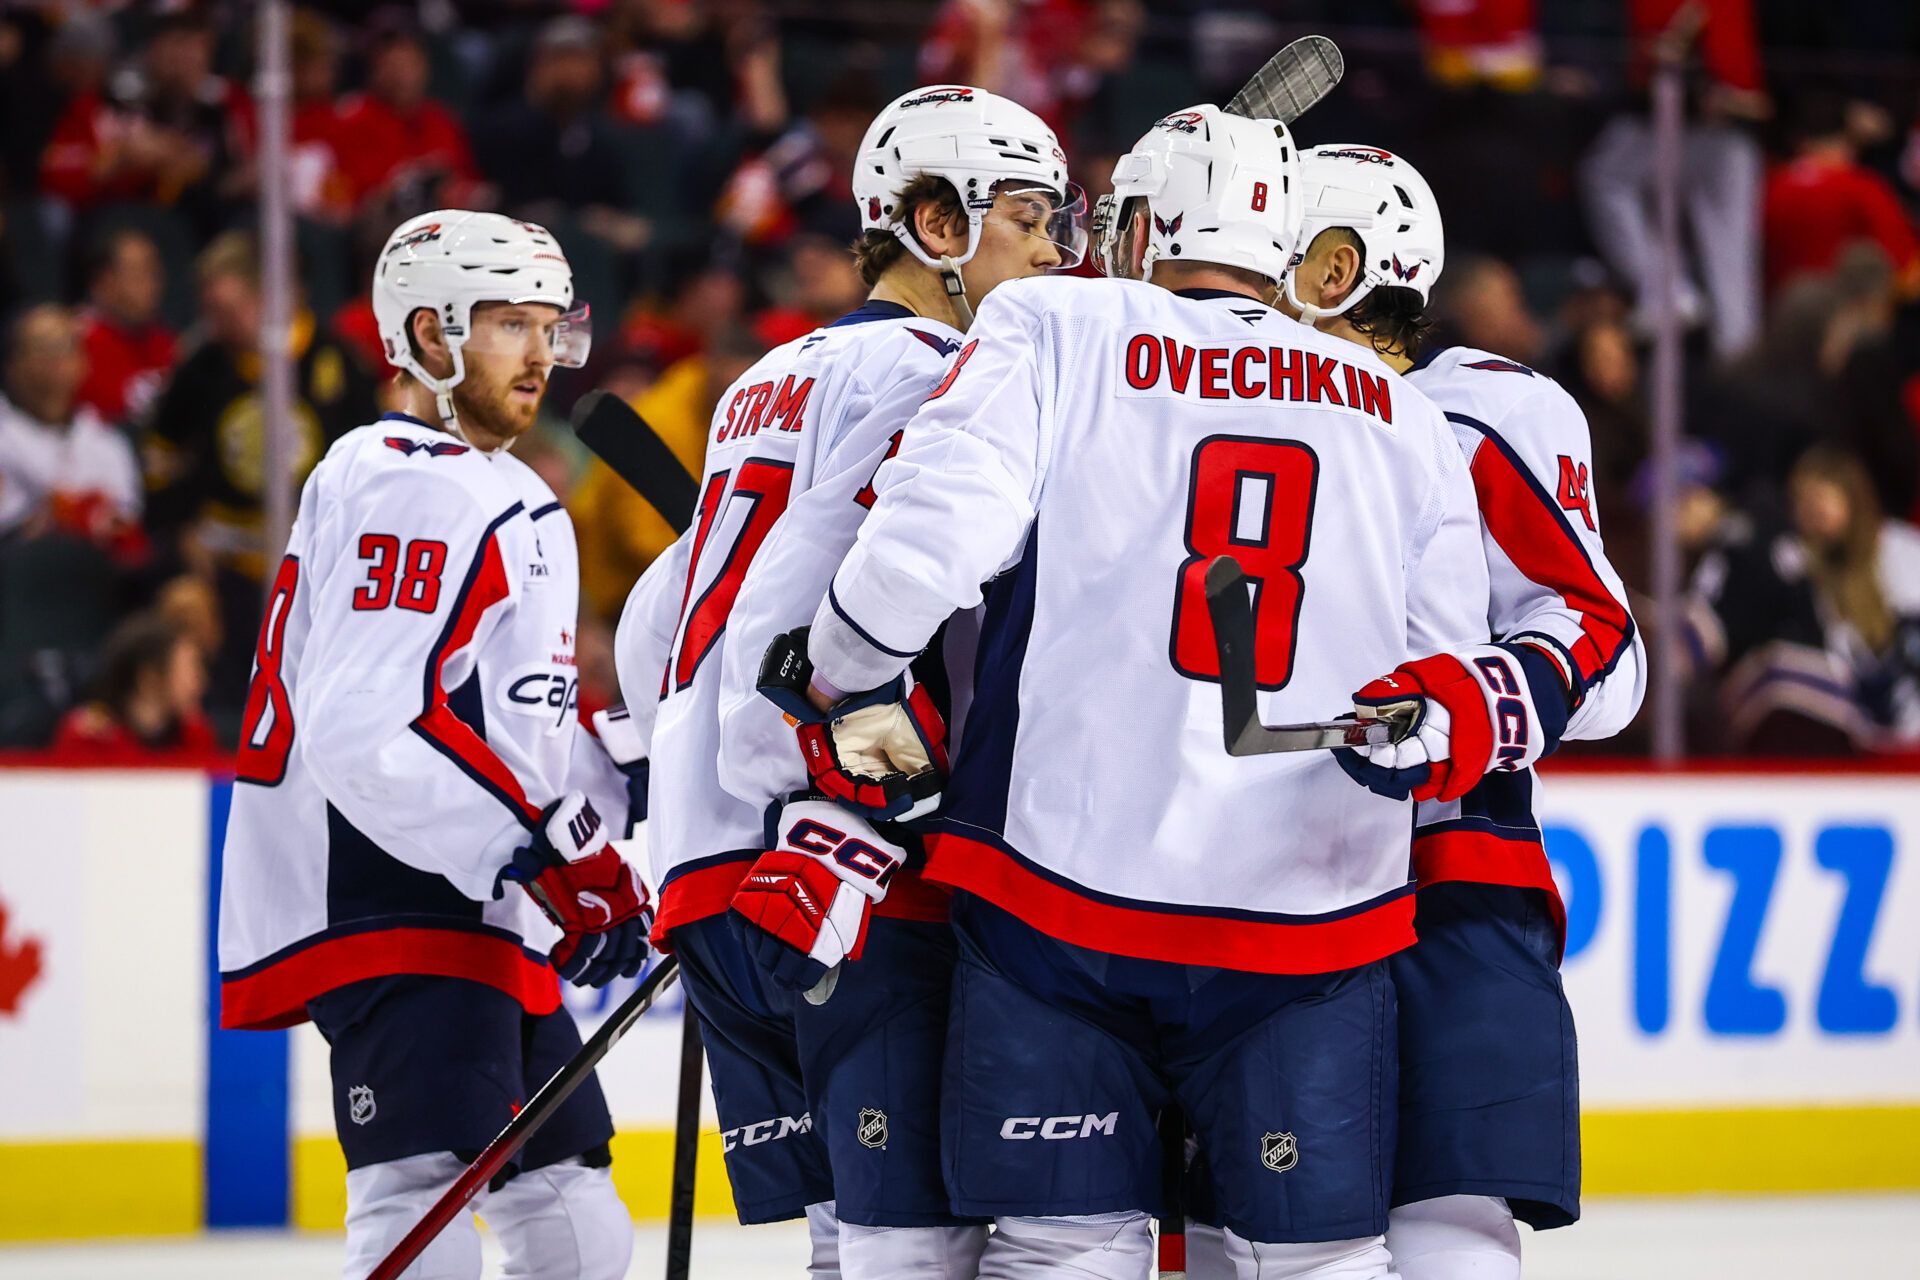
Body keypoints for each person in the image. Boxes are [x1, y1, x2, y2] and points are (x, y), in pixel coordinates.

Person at [772, 104, 1497, 1280]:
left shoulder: (1057, 319)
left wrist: (843, 675)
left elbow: (922, 551)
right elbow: (1452, 678)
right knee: (1309, 1262)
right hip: (1307, 908)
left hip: (1060, 899)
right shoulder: (1403, 415)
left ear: (1148, 221)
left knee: (1063, 1250)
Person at [611, 85, 1085, 1278]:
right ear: (936, 223)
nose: (1050, 250)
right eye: (1027, 218)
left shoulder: (769, 377)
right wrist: (849, 791)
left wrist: (683, 782)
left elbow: (665, 617)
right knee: (911, 1242)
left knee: (847, 1234)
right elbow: (806, 613)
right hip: (837, 856)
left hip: (713, 862)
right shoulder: (944, 372)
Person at [215, 210, 649, 1280]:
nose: (543, 354)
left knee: (569, 1201)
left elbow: (514, 719)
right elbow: (368, 725)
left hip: (469, 883)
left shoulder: (491, 486)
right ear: (429, 333)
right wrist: (547, 848)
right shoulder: (411, 477)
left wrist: (622, 776)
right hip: (390, 879)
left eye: (552, 326)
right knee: (420, 1188)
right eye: (511, 323)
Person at [1267, 143, 1645, 1278]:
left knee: (1449, 1219)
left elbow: (1608, 668)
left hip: (1446, 871)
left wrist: (1462, 704)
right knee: (1266, 1235)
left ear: (1338, 268)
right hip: (1252, 877)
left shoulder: (1477, 406)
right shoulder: (1189, 402)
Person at [0, 304, 143, 554]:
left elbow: (125, 529)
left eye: (67, 346)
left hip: (94, 580)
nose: (57, 359)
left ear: (83, 362)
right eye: (44, 347)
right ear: (13, 363)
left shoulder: (107, 441)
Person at [50, 611, 214, 761]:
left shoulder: (195, 735)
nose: (201, 682)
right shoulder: (88, 737)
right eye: (191, 668)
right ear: (149, 678)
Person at [75, 227, 176, 428]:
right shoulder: (76, 345)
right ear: (103, 282)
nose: (152, 285)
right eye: (139, 274)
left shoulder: (166, 343)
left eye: (155, 273)